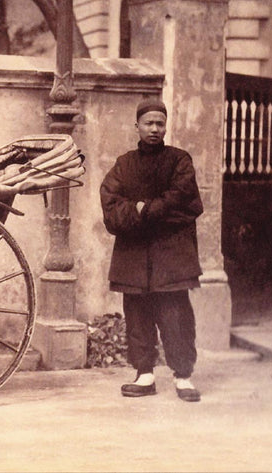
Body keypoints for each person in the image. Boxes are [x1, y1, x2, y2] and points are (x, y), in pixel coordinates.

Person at [100, 99, 204, 402]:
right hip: (133, 254)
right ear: (137, 127)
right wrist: (138, 211)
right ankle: (144, 374)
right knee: (137, 314)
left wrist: (144, 210)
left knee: (176, 314)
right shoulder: (123, 164)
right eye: (149, 123)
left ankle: (183, 376)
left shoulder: (180, 161)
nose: (155, 128)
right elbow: (110, 207)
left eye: (160, 123)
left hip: (172, 254)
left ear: (166, 126)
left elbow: (187, 202)